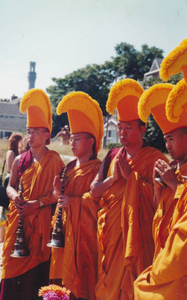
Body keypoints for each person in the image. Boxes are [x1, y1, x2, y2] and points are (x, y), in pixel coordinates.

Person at [90, 79, 167, 300]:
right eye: (120, 128)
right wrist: (114, 178)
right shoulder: (113, 156)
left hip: (139, 240)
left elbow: (159, 205)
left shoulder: (155, 159)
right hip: (111, 237)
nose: (122, 133)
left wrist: (132, 179)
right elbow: (94, 191)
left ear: (142, 128)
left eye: (128, 128)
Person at [0, 89, 64, 300]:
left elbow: (59, 193)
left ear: (47, 135)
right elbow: (10, 186)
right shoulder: (20, 160)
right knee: (9, 265)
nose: (31, 135)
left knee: (37, 275)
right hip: (19, 222)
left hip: (41, 226)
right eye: (29, 131)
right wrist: (13, 196)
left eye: (36, 131)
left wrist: (36, 204)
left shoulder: (54, 160)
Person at [134, 80, 187, 299]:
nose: (168, 146)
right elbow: (162, 213)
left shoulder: (174, 175)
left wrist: (174, 184)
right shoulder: (173, 170)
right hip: (166, 252)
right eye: (165, 140)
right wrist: (158, 188)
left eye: (171, 139)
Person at [49, 91, 104, 300]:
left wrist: (72, 202)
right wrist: (57, 194)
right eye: (70, 139)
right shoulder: (69, 167)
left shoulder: (98, 169)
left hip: (84, 240)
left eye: (76, 139)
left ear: (90, 141)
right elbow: (60, 202)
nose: (71, 144)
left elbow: (97, 202)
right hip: (64, 236)